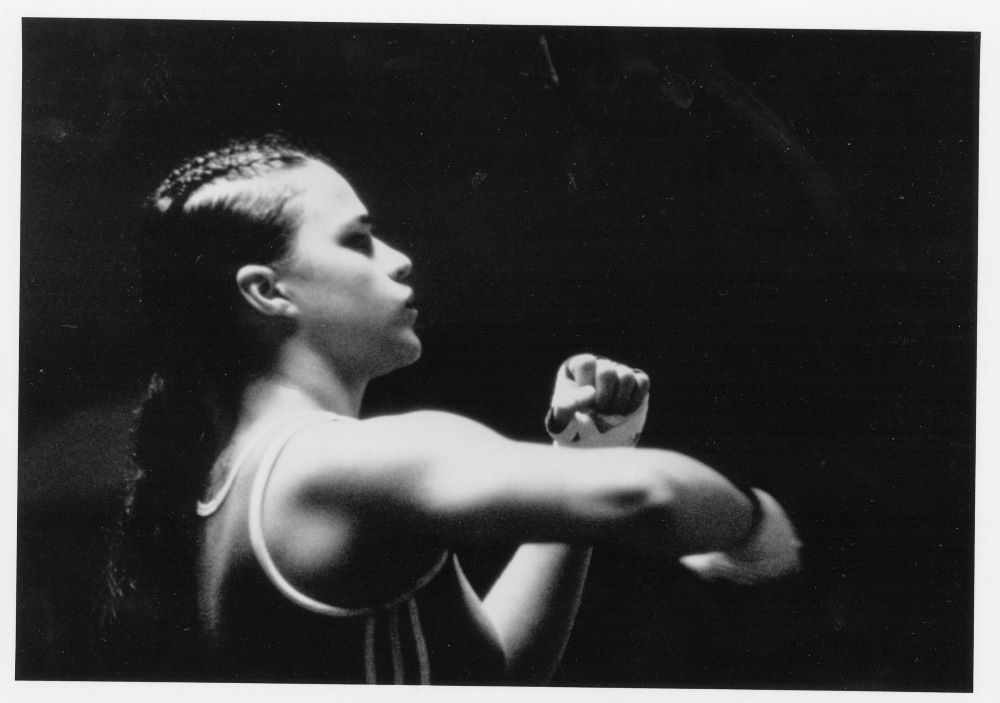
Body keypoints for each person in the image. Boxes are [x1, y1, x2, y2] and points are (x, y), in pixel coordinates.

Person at [109, 134, 801, 685]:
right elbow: (652, 497)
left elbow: (491, 670)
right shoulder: (338, 462)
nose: (401, 259)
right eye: (358, 239)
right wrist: (756, 530)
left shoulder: (239, 481)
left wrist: (584, 457)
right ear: (267, 291)